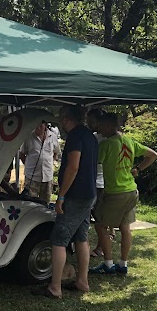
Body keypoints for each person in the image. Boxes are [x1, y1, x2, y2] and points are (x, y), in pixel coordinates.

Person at [32, 105, 98, 298]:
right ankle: (82, 282)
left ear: (67, 118)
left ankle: (55, 287)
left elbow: (73, 167)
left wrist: (61, 195)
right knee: (81, 237)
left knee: (58, 239)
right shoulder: (90, 136)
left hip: (75, 195)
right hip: (89, 194)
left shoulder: (75, 136)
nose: (60, 123)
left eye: (61, 119)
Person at [89, 113, 157, 276]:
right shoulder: (129, 141)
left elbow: (93, 163)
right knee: (125, 227)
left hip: (115, 193)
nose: (99, 129)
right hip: (131, 191)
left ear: (108, 126)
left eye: (100, 126)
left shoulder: (106, 145)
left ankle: (108, 264)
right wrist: (138, 169)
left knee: (100, 225)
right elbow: (153, 155)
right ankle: (123, 264)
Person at [86, 108, 112, 258]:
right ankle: (92, 246)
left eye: (92, 121)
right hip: (92, 180)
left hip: (102, 183)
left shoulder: (109, 139)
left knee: (100, 219)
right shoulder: (94, 136)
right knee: (90, 217)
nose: (89, 124)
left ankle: (101, 247)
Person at [19, 121, 60, 203]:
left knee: (45, 202)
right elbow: (22, 154)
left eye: (40, 126)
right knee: (30, 202)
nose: (38, 128)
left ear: (45, 126)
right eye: (36, 126)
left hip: (47, 177)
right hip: (31, 177)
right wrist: (28, 166)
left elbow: (56, 152)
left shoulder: (53, 137)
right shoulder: (29, 137)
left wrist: (50, 163)